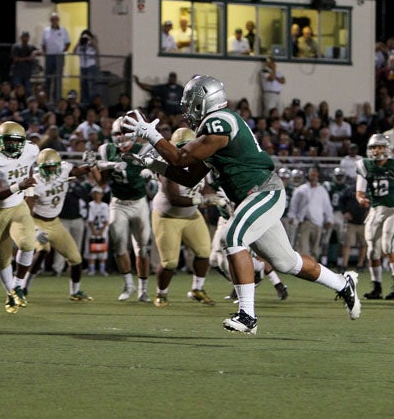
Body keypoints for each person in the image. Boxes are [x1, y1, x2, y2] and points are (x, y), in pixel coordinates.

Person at [122, 74, 360, 334]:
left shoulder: (219, 122)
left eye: (190, 102)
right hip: (252, 196)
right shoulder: (212, 129)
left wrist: (152, 135)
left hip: (263, 191)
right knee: (286, 263)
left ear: (204, 102)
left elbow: (179, 158)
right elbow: (188, 175)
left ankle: (248, 316)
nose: (187, 108)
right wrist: (152, 163)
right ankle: (342, 283)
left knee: (233, 237)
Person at [86, 116, 154, 302]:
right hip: (118, 203)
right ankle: (128, 284)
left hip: (139, 203)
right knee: (119, 244)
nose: (122, 137)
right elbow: (101, 181)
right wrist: (93, 166)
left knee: (142, 249)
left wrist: (151, 175)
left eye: (125, 133)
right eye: (118, 133)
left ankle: (143, 289)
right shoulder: (108, 150)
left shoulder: (144, 149)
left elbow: (156, 176)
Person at [0, 121, 39, 313]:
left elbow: (28, 169)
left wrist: (29, 196)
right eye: (9, 141)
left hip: (18, 205)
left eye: (17, 141)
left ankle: (18, 285)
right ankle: (10, 292)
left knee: (29, 244)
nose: (14, 145)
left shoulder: (31, 150)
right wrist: (18, 187)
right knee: (2, 258)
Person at [151, 127, 215, 307]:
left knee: (204, 252)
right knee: (169, 262)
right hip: (167, 217)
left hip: (191, 215)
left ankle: (197, 289)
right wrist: (203, 200)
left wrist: (215, 196)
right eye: (181, 148)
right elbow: (174, 199)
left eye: (188, 147)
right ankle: (161, 294)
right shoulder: (167, 165)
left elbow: (206, 186)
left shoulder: (200, 162)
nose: (185, 152)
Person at [24, 148, 93, 300]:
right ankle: (24, 287)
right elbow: (26, 210)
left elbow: (78, 171)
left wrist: (90, 164)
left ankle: (75, 292)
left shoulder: (65, 169)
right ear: (40, 168)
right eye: (47, 167)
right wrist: (34, 230)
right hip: (37, 221)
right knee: (42, 250)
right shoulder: (35, 182)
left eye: (54, 166)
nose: (52, 170)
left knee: (76, 259)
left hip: (55, 223)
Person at [356, 134, 394, 300]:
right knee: (372, 250)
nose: (376, 150)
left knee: (387, 245)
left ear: (387, 148)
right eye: (373, 147)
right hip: (375, 210)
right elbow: (359, 192)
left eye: (379, 147)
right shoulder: (364, 165)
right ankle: (377, 287)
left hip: (393, 208)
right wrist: (361, 199)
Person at [288, 167, 334, 260]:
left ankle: (314, 268)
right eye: (312, 174)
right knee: (303, 247)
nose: (314, 176)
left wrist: (329, 219)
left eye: (315, 174)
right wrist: (292, 216)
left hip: (318, 222)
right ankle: (304, 267)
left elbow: (327, 206)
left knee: (315, 248)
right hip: (305, 222)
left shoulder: (322, 190)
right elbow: (294, 204)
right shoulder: (301, 189)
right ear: (308, 175)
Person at [321, 167, 350, 269]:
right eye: (338, 176)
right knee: (325, 239)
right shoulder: (328, 186)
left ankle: (340, 262)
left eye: (341, 176)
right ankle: (324, 261)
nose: (339, 178)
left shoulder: (346, 188)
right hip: (330, 213)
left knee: (341, 240)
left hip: (340, 214)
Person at [41, 12, 71, 103]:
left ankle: (57, 99)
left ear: (58, 20)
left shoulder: (63, 30)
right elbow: (43, 44)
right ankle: (46, 100)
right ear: (50, 21)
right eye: (52, 19)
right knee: (48, 79)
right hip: (49, 56)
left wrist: (62, 52)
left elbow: (68, 43)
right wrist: (46, 53)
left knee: (58, 79)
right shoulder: (46, 30)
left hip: (59, 57)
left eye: (56, 19)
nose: (54, 21)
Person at [84, 185, 110, 277]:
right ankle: (92, 269)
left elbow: (107, 219)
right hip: (92, 230)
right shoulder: (90, 205)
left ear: (102, 195)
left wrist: (102, 230)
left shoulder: (105, 205)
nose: (96, 195)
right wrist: (94, 230)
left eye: (98, 193)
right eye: (95, 193)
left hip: (103, 230)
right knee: (91, 249)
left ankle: (102, 269)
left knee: (102, 249)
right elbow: (89, 219)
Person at [10, 31, 41, 96]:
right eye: (24, 37)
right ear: (21, 38)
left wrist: (35, 52)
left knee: (28, 91)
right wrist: (28, 58)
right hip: (17, 73)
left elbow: (40, 52)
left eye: (26, 37)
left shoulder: (31, 46)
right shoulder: (16, 46)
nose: (25, 38)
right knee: (18, 90)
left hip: (27, 74)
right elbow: (15, 58)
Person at [73, 29, 99, 105]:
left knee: (90, 85)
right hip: (83, 67)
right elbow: (74, 51)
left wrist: (90, 39)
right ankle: (84, 101)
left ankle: (91, 102)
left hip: (90, 66)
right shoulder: (80, 45)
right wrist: (79, 41)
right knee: (83, 85)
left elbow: (96, 49)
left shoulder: (91, 44)